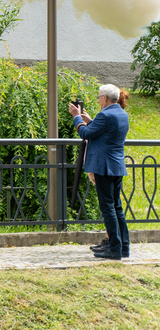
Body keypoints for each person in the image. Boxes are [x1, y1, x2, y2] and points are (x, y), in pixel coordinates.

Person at [69, 84, 130, 260]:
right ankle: (123, 247)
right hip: (116, 166)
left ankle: (114, 248)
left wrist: (77, 118)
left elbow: (85, 133)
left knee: (108, 207)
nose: (98, 100)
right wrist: (91, 120)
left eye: (98, 97)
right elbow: (106, 132)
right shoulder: (121, 114)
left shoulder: (105, 114)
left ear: (104, 98)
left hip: (104, 166)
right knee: (117, 207)